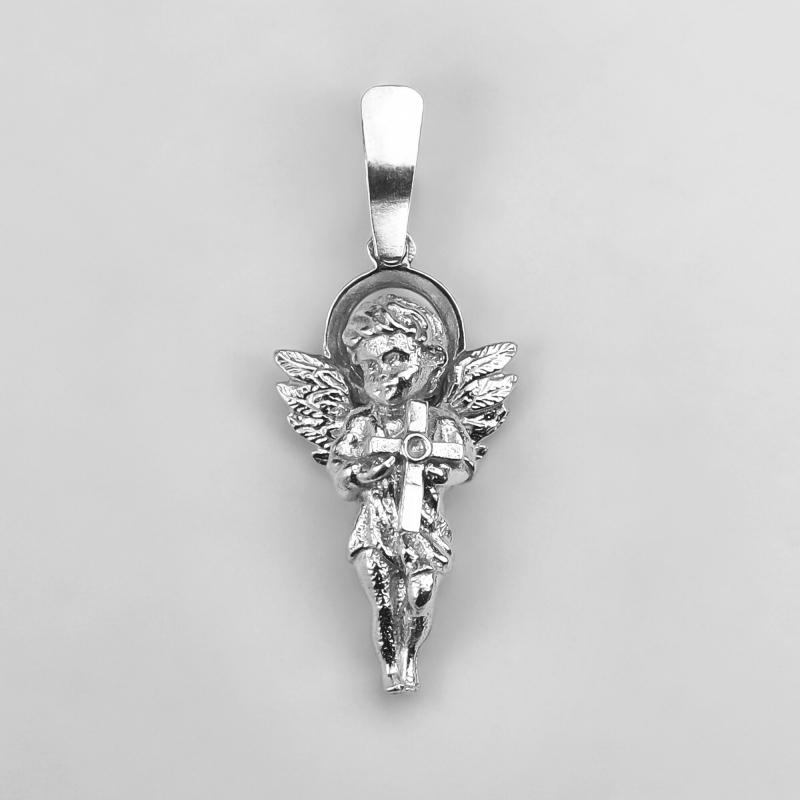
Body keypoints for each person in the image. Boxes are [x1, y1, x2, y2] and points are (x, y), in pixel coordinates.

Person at [327, 293, 475, 692]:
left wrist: (435, 468)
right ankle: (395, 667)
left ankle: (411, 649)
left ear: (432, 360)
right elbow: (342, 475)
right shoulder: (362, 425)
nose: (382, 375)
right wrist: (363, 473)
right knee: (384, 601)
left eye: (395, 358)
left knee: (419, 597)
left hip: (421, 529)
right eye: (369, 366)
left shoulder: (438, 423)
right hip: (375, 527)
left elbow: (463, 465)